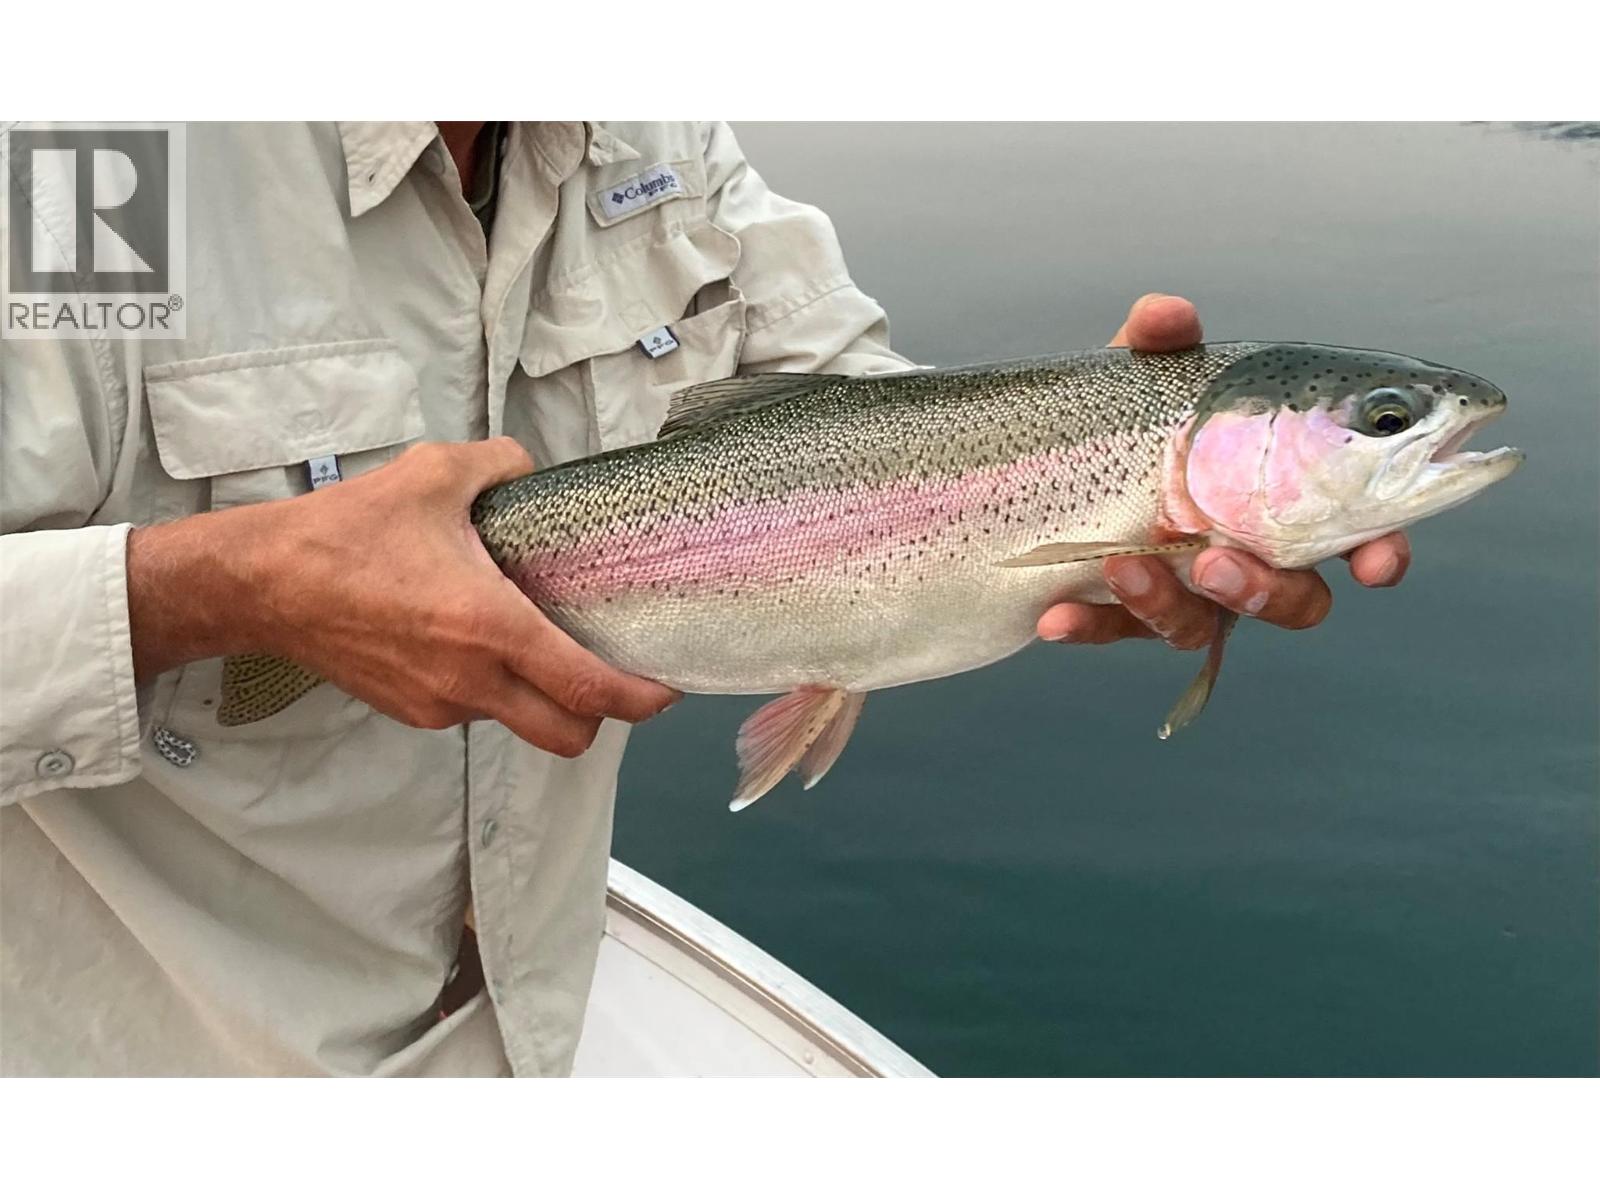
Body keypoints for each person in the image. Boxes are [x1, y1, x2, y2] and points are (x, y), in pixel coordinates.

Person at [0, 122, 1411, 1076]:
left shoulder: (656, 134)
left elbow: (860, 406)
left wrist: (1068, 449)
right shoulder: (76, 163)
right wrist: (213, 588)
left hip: (532, 1037)